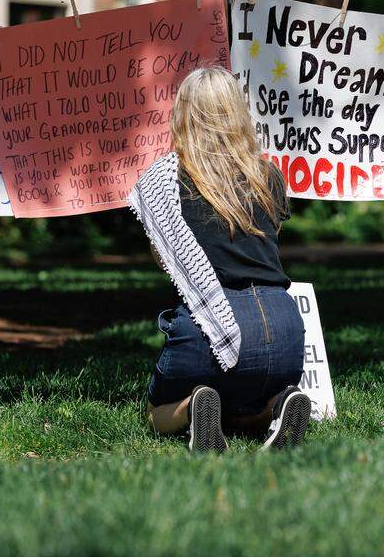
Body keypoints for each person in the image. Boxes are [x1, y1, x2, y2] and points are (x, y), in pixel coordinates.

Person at [131, 66, 310, 452]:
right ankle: (279, 406)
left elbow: (168, 261)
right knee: (245, 403)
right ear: (238, 113)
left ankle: (195, 409)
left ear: (183, 114)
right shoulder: (269, 175)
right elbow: (269, 243)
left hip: (213, 326)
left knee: (155, 410)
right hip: (285, 327)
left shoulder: (167, 180)